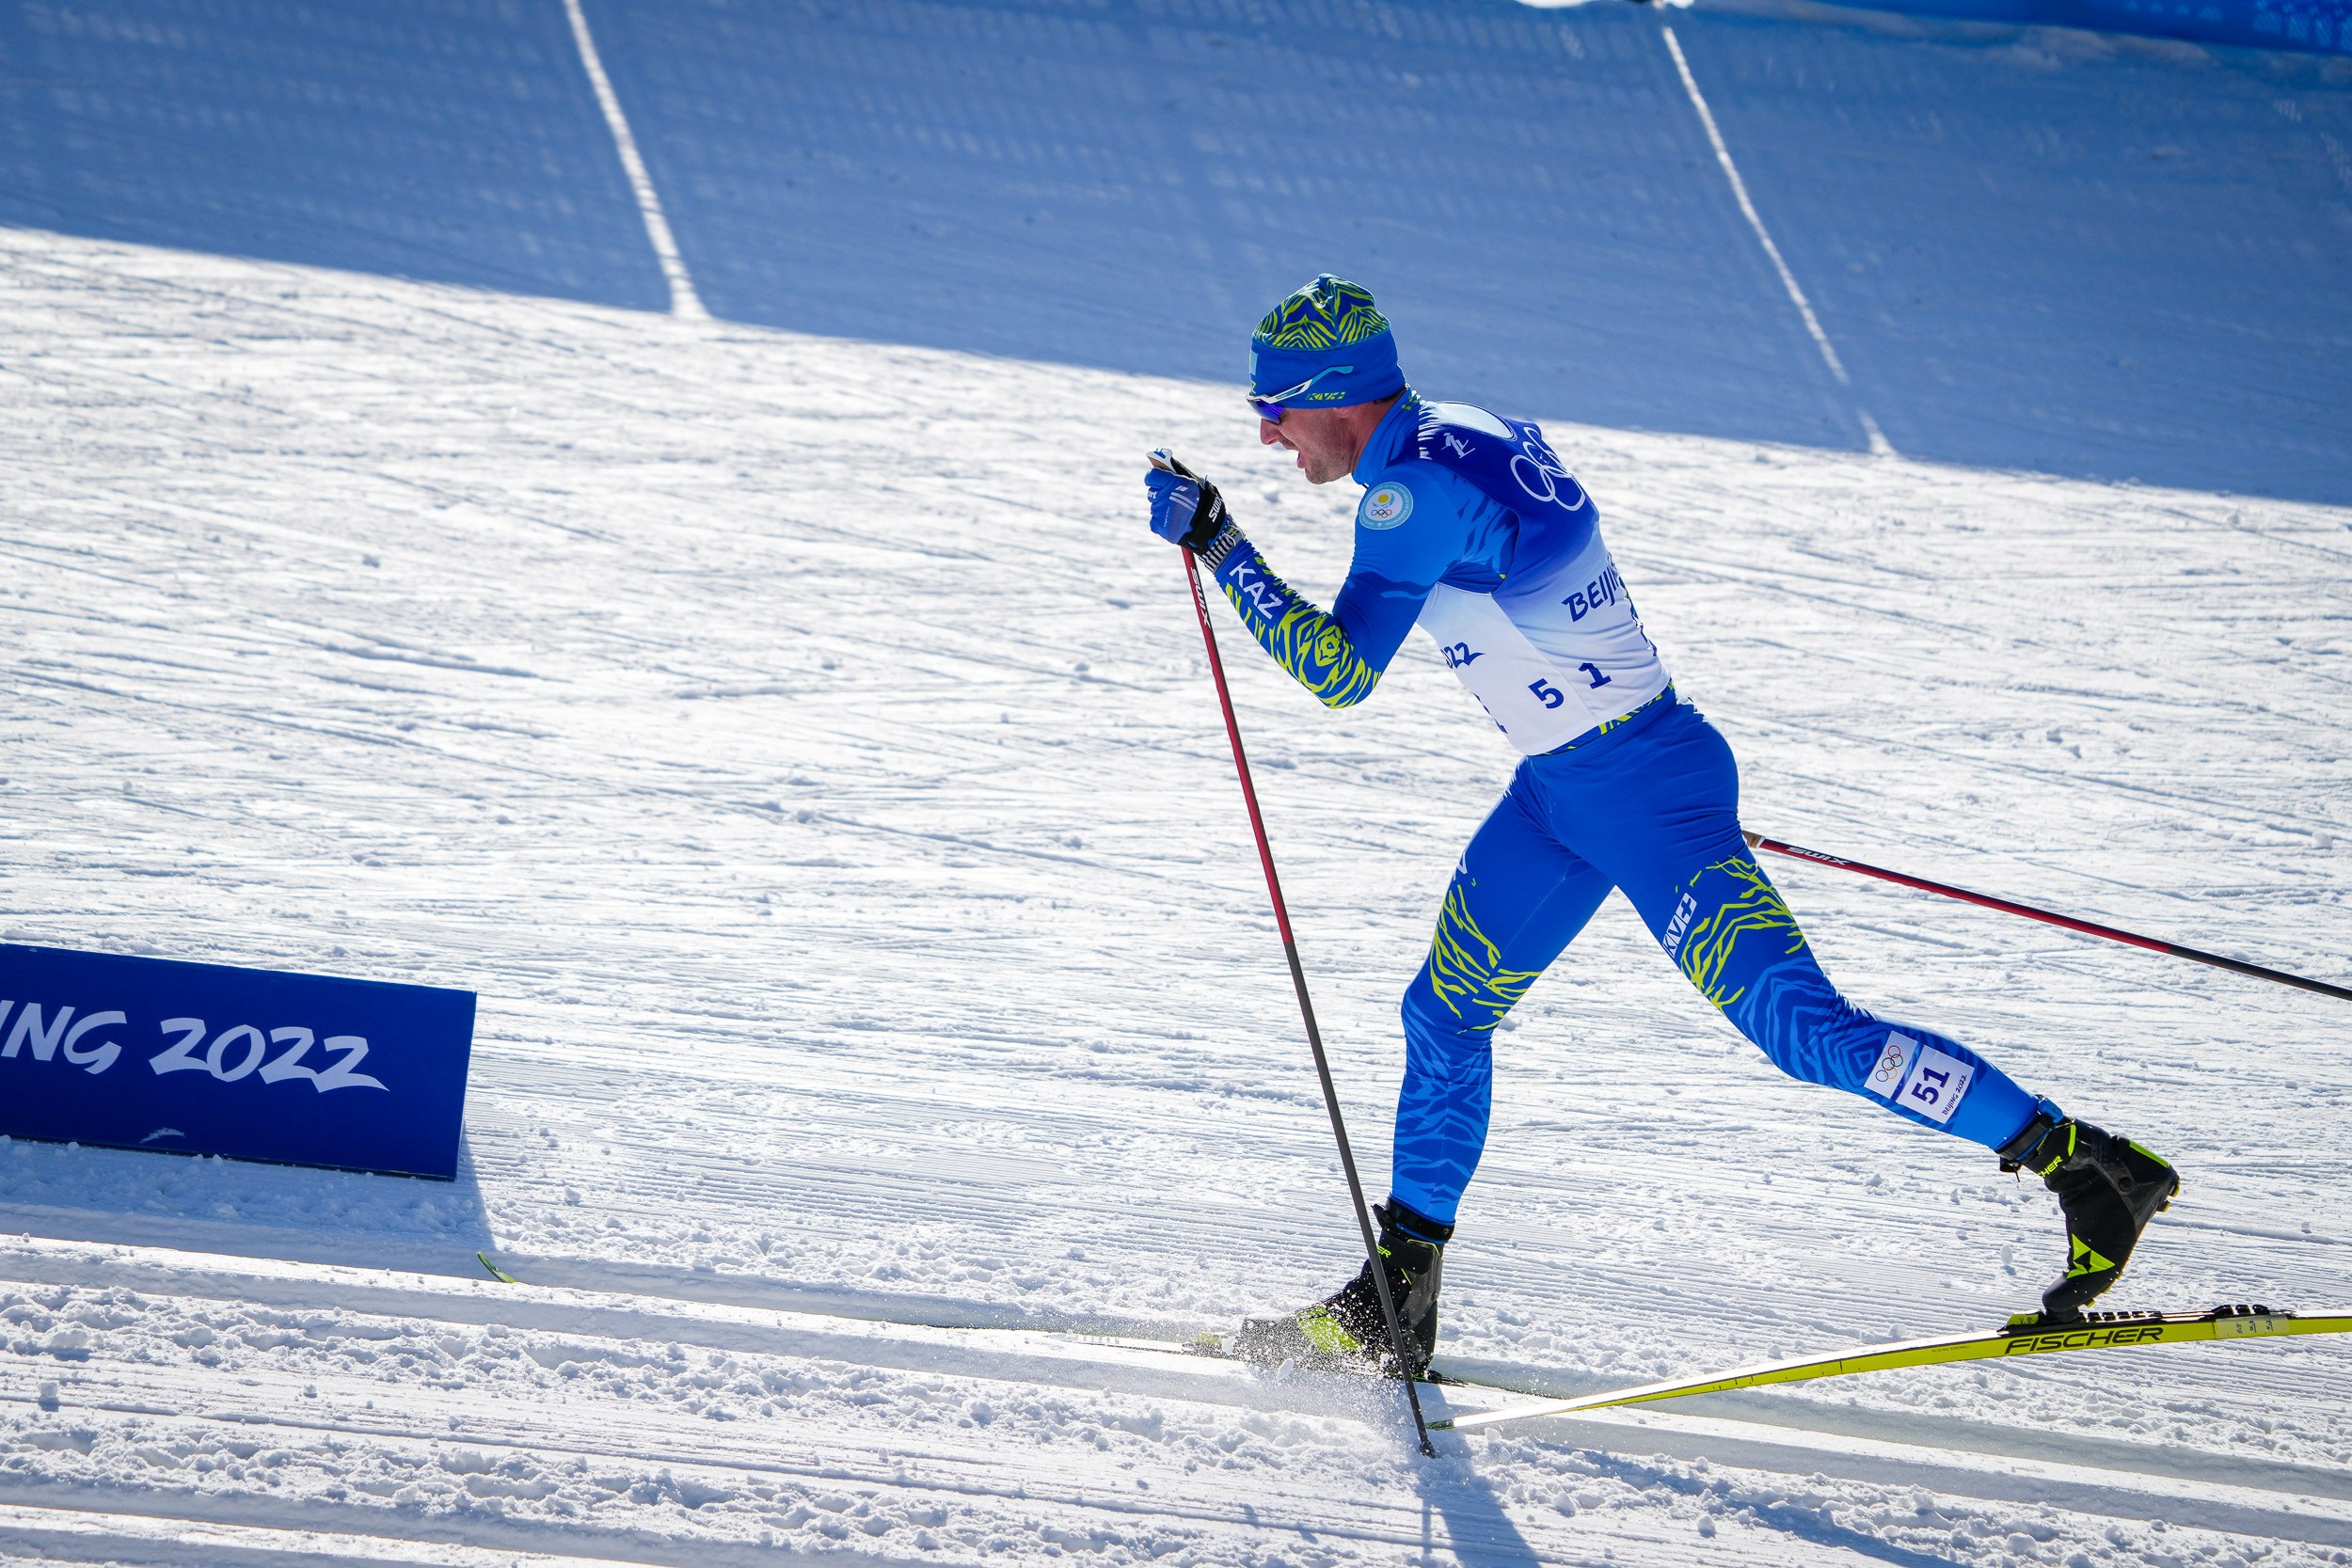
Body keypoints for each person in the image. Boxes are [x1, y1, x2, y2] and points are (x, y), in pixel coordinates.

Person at [1144, 275, 2179, 1377]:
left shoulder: (1407, 493)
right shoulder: (1461, 432)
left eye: (1276, 407)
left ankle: (2087, 1167)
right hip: (1564, 794)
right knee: (1443, 1014)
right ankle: (1398, 1297)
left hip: (1639, 791)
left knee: (1806, 1033)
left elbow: (1341, 674)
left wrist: (1220, 542)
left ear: (1337, 395)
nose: (1265, 433)